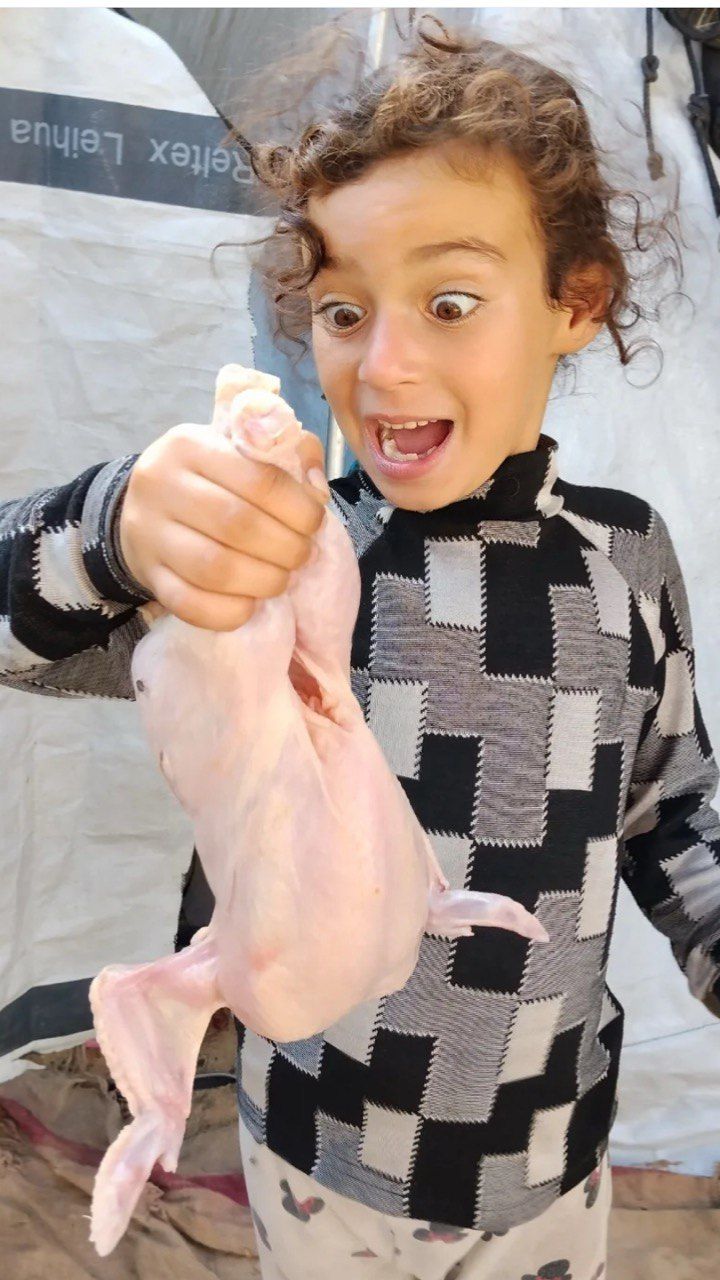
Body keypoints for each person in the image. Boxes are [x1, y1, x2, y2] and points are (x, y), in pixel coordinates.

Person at [1, 20, 719, 1280]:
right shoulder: (284, 568)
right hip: (318, 1159)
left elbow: (671, 808)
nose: (383, 362)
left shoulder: (625, 556)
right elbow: (23, 645)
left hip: (549, 1161)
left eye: (450, 302)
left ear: (574, 302)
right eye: (342, 308)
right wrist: (112, 529)